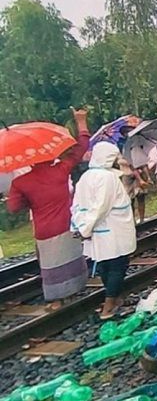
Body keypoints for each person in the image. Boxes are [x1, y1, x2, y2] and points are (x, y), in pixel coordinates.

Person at [5, 108, 90, 306]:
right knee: (70, 257)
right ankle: (75, 288)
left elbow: (13, 208)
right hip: (67, 223)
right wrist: (81, 121)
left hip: (44, 228)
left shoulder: (21, 182)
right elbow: (82, 147)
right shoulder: (60, 170)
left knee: (52, 265)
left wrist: (27, 199)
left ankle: (57, 299)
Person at [70, 141, 137, 319]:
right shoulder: (107, 178)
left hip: (96, 230)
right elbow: (101, 207)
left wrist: (80, 225)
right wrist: (87, 228)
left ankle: (116, 300)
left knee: (104, 264)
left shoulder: (86, 177)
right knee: (118, 265)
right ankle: (108, 307)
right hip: (112, 228)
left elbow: (76, 205)